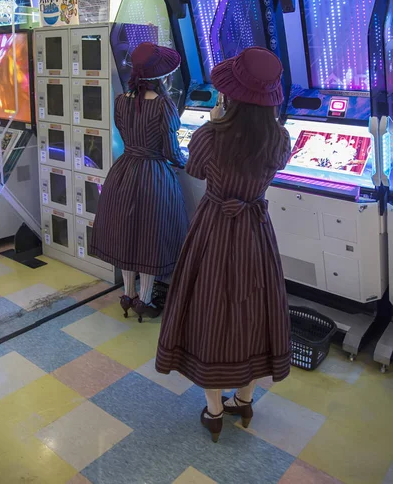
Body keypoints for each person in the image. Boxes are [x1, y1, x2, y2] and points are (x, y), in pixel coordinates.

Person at [156, 46, 292, 442]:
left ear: (229, 94)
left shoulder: (209, 136)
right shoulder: (279, 138)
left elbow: (195, 170)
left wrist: (214, 123)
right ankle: (244, 400)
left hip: (214, 228)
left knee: (209, 311)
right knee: (255, 311)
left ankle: (214, 410)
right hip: (255, 230)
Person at [90, 42, 189, 322]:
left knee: (126, 236)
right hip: (153, 176)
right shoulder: (164, 105)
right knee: (149, 239)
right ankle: (144, 300)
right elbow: (172, 151)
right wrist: (187, 163)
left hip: (124, 172)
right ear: (161, 78)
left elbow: (126, 134)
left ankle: (127, 294)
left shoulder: (121, 100)